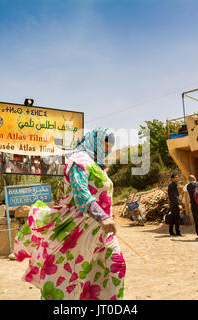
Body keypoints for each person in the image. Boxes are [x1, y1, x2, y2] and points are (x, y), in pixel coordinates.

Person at [13, 127, 125, 300]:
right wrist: (101, 215)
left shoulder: (99, 167)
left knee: (116, 267)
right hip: (78, 230)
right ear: (94, 141)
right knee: (71, 277)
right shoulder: (78, 160)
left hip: (102, 232)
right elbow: (81, 194)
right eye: (106, 143)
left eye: (111, 145)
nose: (109, 148)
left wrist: (108, 212)